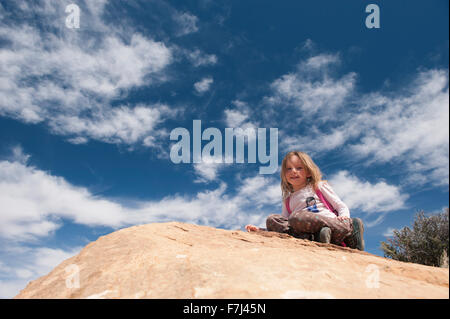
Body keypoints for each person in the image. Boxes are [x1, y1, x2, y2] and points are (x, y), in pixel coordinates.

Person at [245, 151, 365, 250]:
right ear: (284, 174)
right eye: (289, 169)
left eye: (299, 168)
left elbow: (340, 206)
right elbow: (285, 226)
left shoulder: (318, 186)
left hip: (330, 222)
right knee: (272, 219)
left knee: (296, 217)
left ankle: (349, 229)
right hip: (305, 232)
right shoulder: (287, 200)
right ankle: (318, 236)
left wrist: (344, 216)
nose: (293, 171)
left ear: (308, 172)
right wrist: (262, 230)